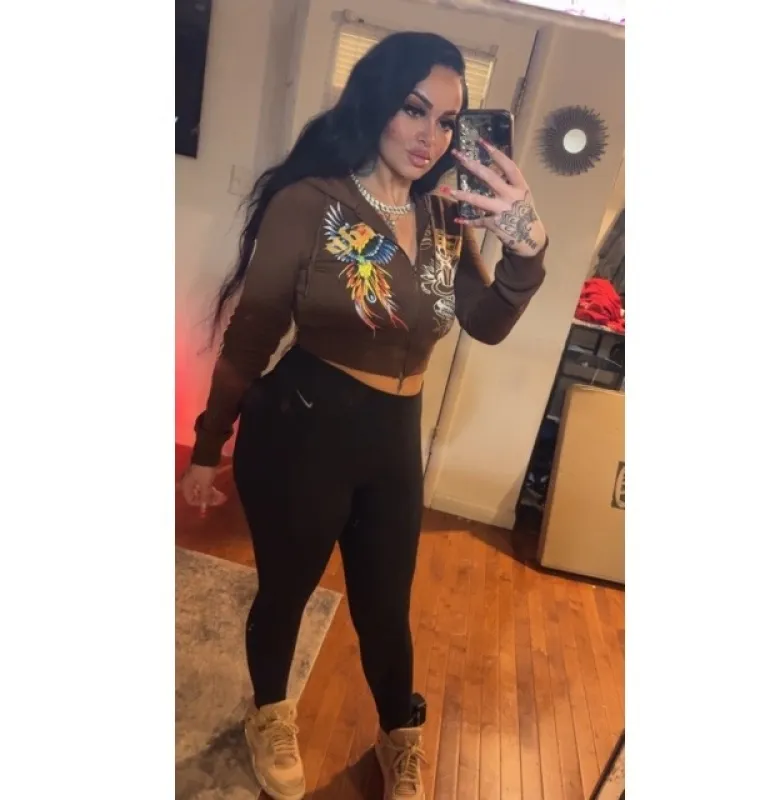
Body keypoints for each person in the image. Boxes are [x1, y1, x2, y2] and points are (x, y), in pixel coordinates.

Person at [179, 30, 548, 800]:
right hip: (304, 431)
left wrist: (527, 249)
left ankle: (397, 733)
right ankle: (269, 713)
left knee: (385, 607)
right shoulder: (311, 204)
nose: (430, 135)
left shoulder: (444, 216)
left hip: (392, 443)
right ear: (375, 101)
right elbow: (252, 335)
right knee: (286, 590)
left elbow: (484, 321)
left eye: (447, 121)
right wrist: (208, 447)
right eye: (414, 109)